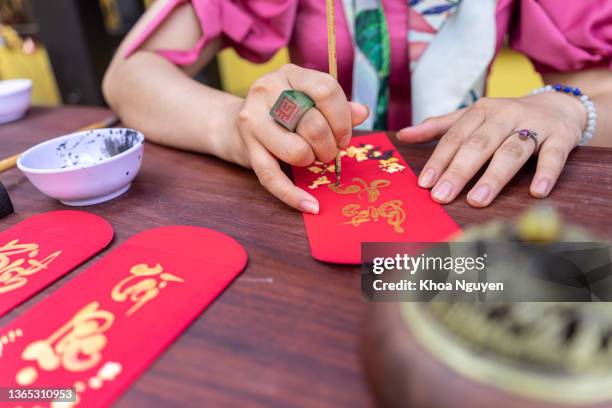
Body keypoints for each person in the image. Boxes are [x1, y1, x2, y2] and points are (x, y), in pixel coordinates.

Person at [103, 0, 612, 215]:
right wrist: (233, 127)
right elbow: (130, 76)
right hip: (327, 192)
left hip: (479, 200)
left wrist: (565, 107)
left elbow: (598, 89)